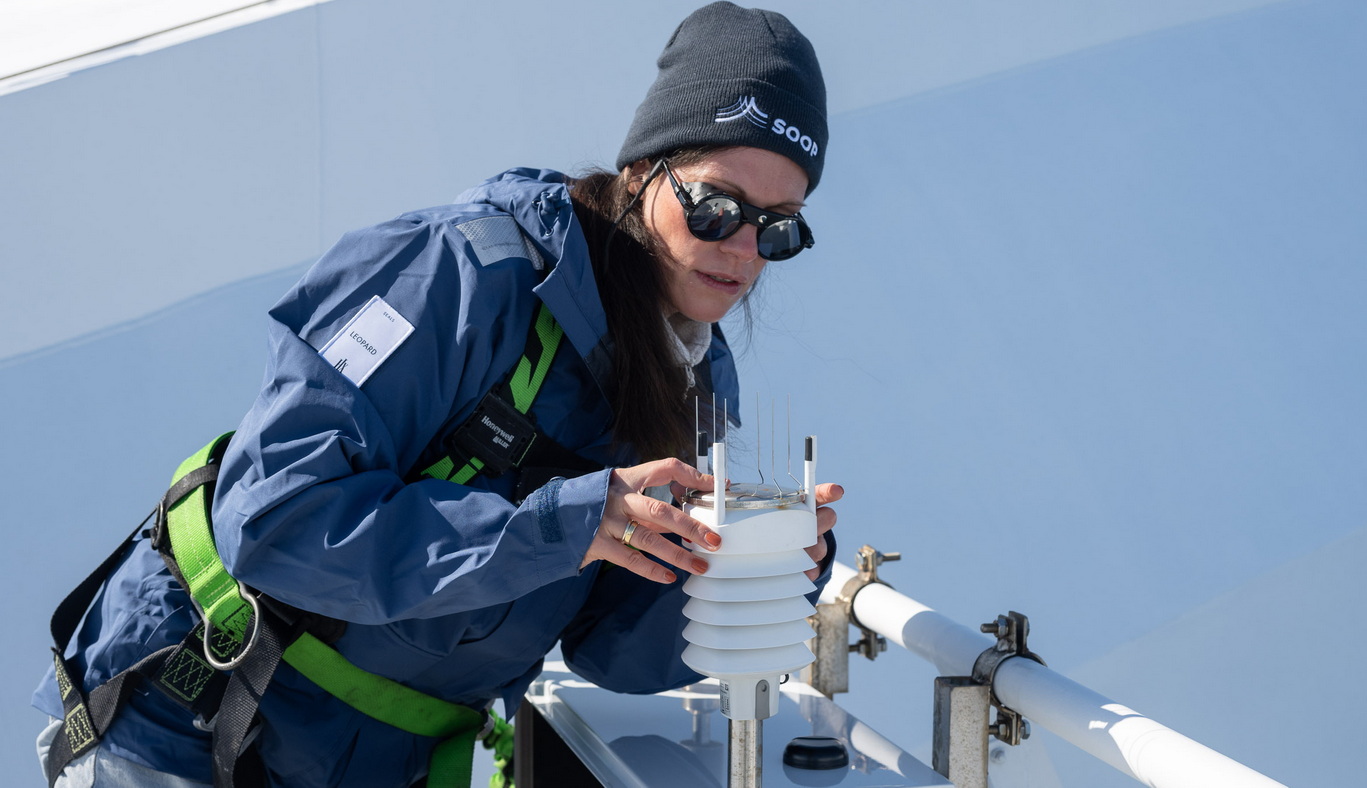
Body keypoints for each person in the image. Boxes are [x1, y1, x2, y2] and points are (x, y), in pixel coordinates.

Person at [33, 2, 841, 786]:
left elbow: (614, 654)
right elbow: (273, 519)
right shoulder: (452, 277)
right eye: (716, 207)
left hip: (367, 760)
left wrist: (753, 572)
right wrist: (562, 525)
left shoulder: (694, 378)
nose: (743, 248)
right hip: (189, 723)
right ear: (640, 173)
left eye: (779, 227)